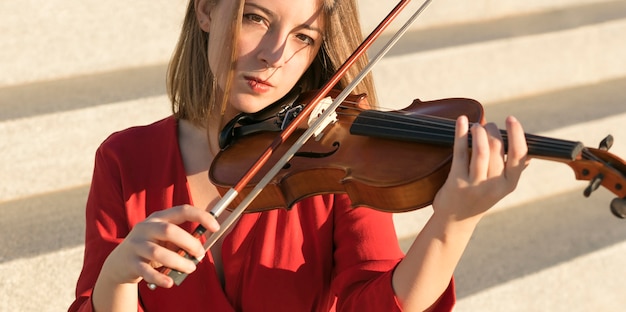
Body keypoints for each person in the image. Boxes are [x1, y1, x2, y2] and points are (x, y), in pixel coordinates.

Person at [69, 0, 528, 311]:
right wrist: (116, 278)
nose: (275, 55)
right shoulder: (125, 159)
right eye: (256, 18)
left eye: (304, 38)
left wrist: (454, 222)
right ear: (207, 8)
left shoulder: (335, 161)